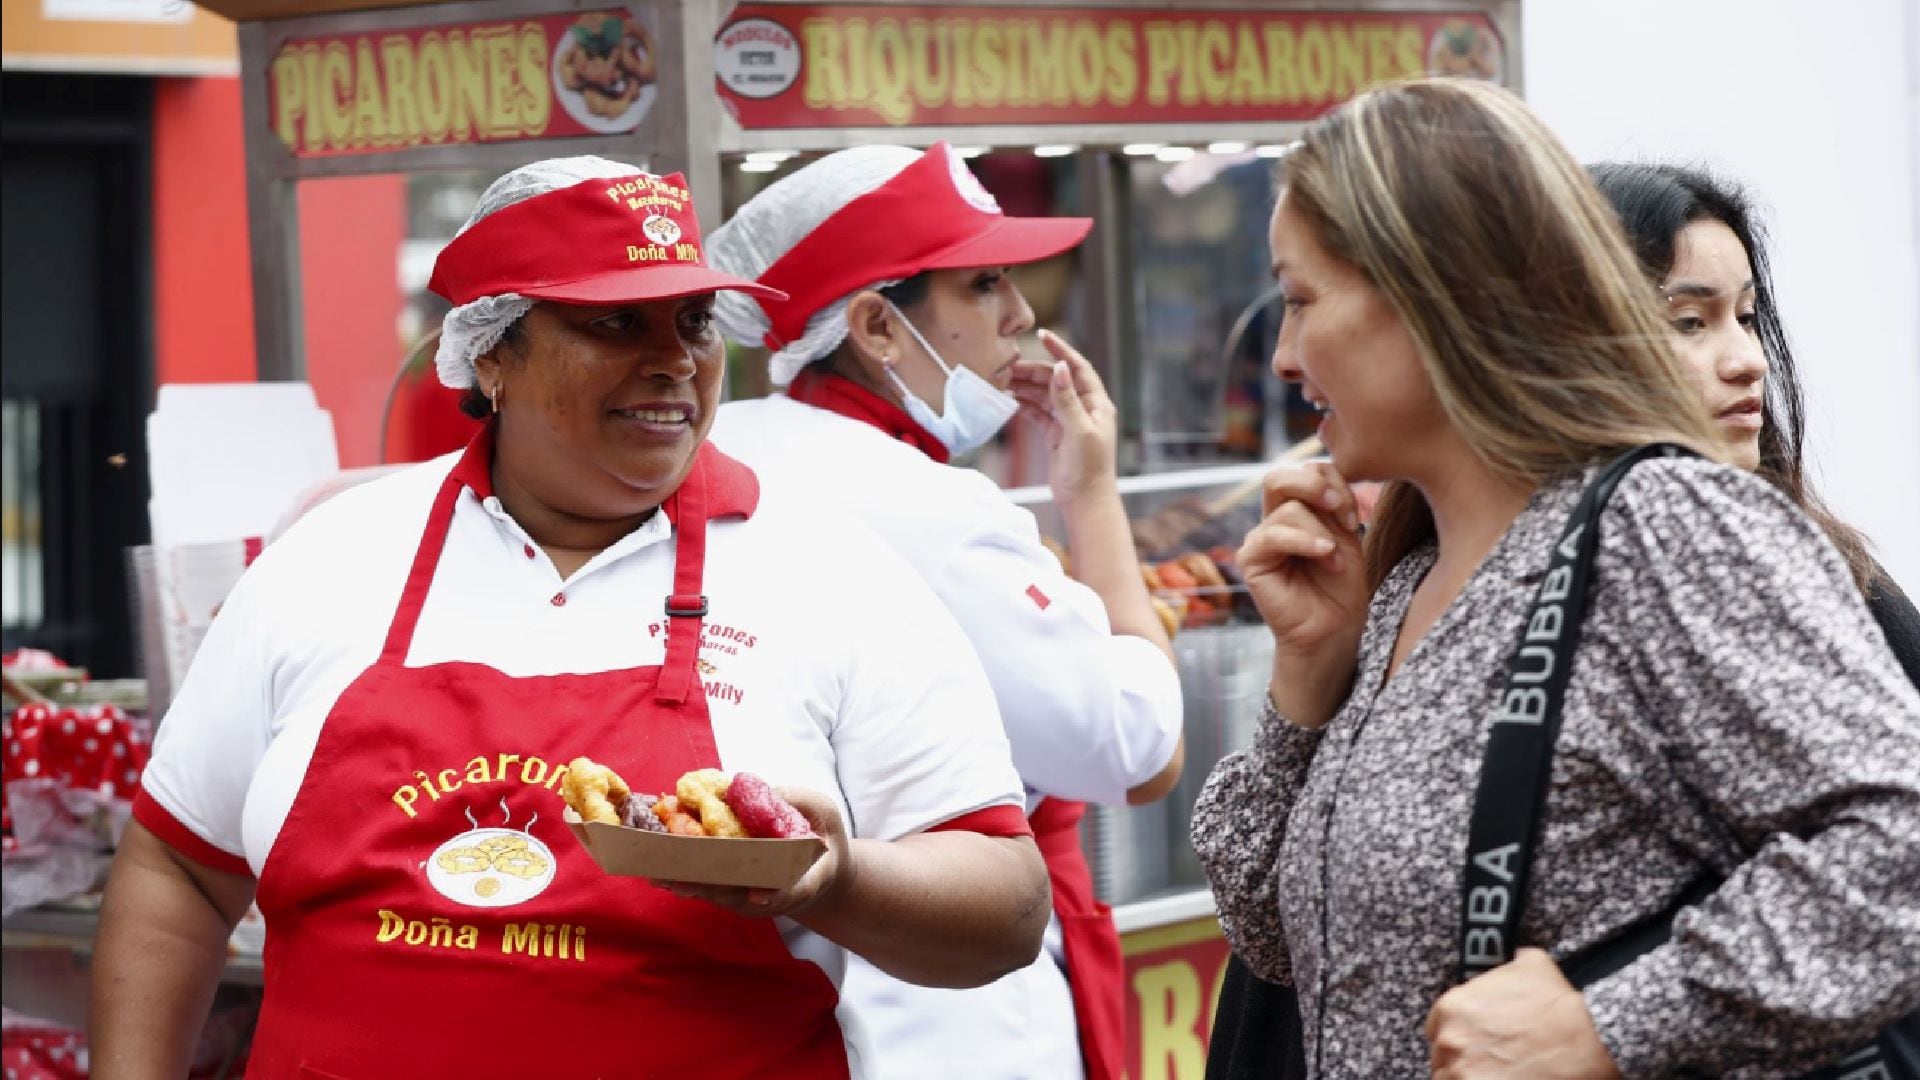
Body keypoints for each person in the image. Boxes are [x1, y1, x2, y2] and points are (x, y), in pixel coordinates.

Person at [88, 157, 1051, 1079]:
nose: (675, 359)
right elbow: (180, 865)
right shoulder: (328, 559)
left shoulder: (831, 575)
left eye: (694, 319)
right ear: (493, 353)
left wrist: (840, 881)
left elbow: (1005, 908)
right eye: (618, 322)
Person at [1190, 79, 1920, 1078]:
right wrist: (1305, 693)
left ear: (1432, 300)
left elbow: (1902, 847)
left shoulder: (1662, 529)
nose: (1280, 356)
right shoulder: (1407, 584)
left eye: (1303, 300)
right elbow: (1282, 945)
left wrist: (1611, 1026)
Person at [703, 142, 1185, 1080]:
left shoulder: (728, 445)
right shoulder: (934, 511)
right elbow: (1140, 748)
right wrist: (1092, 494)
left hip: (775, 1008)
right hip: (948, 1014)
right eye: (986, 283)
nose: (1021, 315)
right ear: (879, 327)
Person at [1589, 160, 1920, 685]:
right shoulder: (1511, 576)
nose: (1749, 361)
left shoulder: (1821, 574)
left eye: (1746, 318)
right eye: (1689, 322)